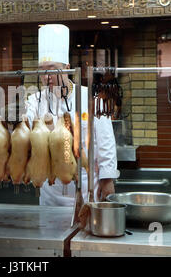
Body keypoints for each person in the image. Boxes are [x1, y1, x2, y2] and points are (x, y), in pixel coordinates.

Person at [25, 24, 119, 206]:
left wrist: (108, 180)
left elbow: (106, 141)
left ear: (67, 68)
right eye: (42, 70)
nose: (46, 76)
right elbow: (25, 134)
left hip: (85, 185)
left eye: (52, 69)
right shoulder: (35, 101)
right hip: (50, 190)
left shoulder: (90, 98)